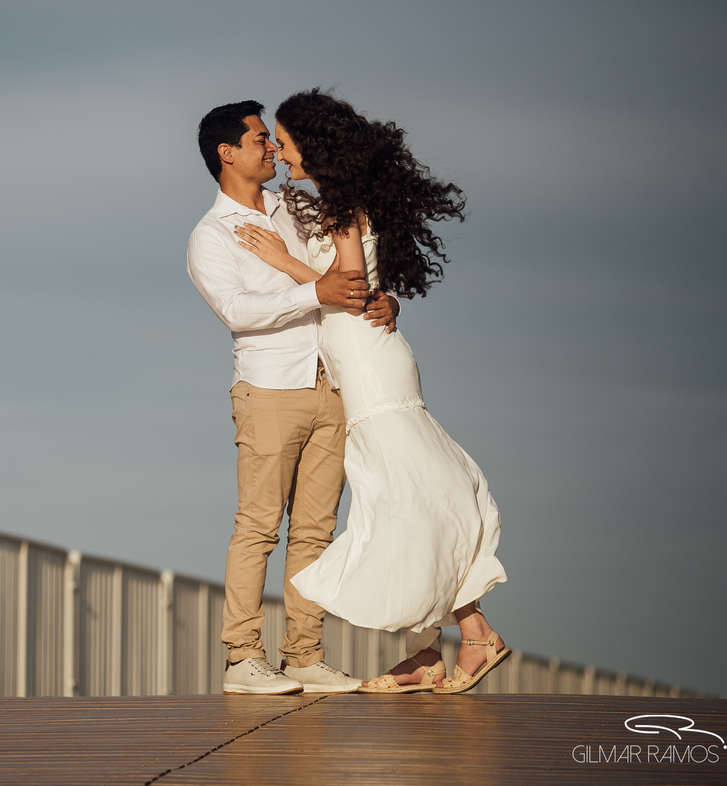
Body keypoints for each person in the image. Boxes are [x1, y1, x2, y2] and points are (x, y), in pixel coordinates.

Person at [232, 89, 509, 695]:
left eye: (284, 139)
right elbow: (368, 288)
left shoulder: (338, 207)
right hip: (364, 357)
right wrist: (386, 298)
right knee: (398, 497)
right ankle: (425, 652)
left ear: (313, 145)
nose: (279, 150)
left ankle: (472, 636)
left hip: (368, 363)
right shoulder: (334, 203)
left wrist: (285, 261)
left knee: (407, 494)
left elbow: (351, 286)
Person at [187, 101, 399, 695]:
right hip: (269, 389)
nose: (273, 148)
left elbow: (346, 273)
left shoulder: (296, 208)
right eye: (261, 138)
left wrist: (385, 300)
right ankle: (241, 658)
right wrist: (315, 293)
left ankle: (304, 653)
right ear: (227, 153)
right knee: (258, 526)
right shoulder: (210, 235)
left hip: (330, 382)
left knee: (315, 530)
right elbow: (237, 311)